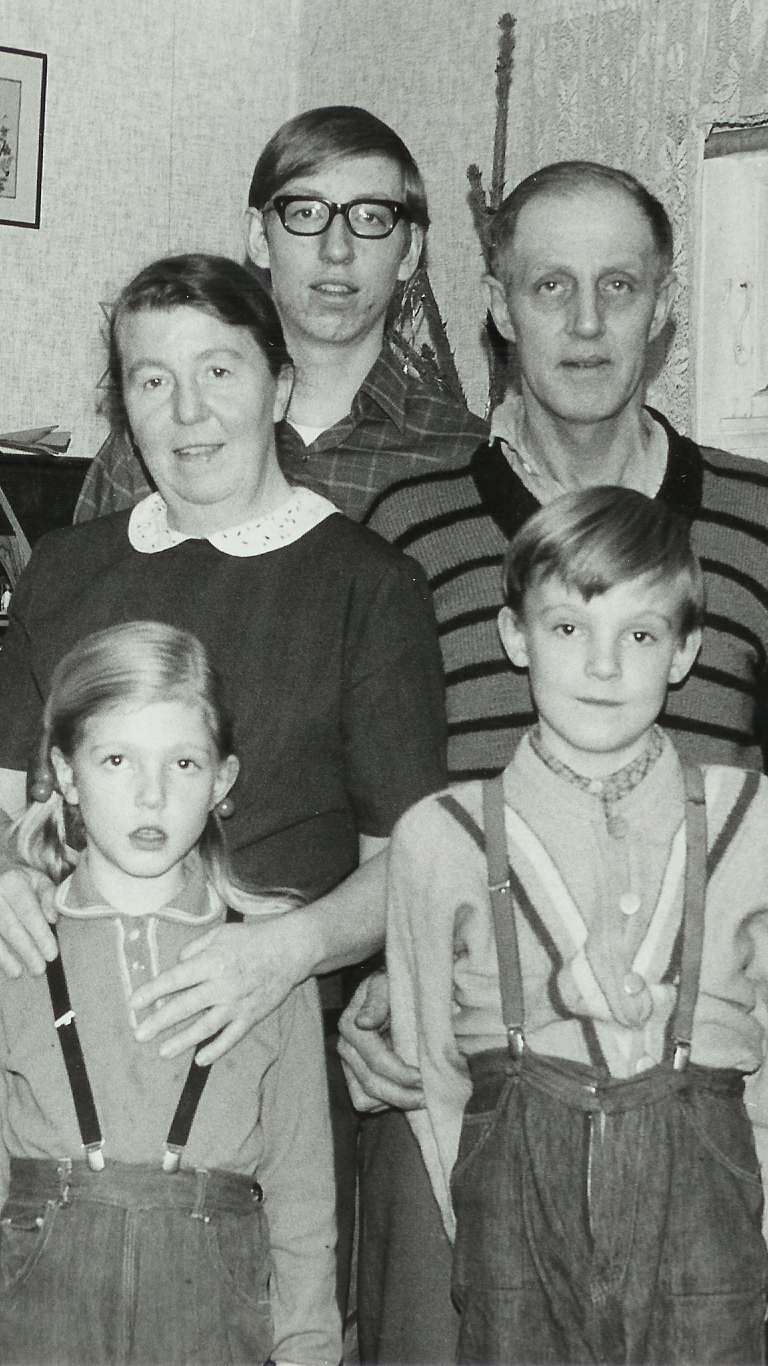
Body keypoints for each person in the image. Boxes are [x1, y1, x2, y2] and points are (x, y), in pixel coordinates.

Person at [341, 162, 768, 1362]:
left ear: (662, 305)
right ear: (495, 300)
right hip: (476, 1081)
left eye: (618, 287)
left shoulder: (757, 524)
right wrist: (365, 981)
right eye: (550, 286)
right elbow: (370, 813)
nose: (585, 324)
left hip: (711, 1101)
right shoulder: (407, 532)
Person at [0, 252, 446, 1329]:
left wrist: (280, 952)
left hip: (256, 1072)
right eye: (152, 379)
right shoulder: (63, 570)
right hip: (58, 1073)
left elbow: (417, 866)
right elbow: (9, 794)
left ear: (280, 387)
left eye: (219, 372)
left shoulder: (368, 587)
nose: (186, 410)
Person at [386, 486, 768, 1365]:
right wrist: (481, 1222)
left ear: (686, 651)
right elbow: (435, 1071)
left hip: (711, 1231)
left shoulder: (750, 820)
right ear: (514, 635)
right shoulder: (440, 838)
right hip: (517, 1232)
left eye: (640, 634)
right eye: (568, 628)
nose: (604, 665)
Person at [0, 620, 340, 1366]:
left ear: (222, 781)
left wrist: (309, 1349)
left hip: (214, 1313)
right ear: (66, 773)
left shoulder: (264, 958)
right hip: (37, 1313)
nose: (151, 794)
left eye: (183, 763)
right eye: (117, 759)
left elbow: (301, 1187)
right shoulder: (16, 944)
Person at [75, 105, 488, 526]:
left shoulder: (464, 457)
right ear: (259, 237)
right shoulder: (159, 445)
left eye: (370, 217)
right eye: (306, 213)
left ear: (409, 251)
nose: (337, 250)